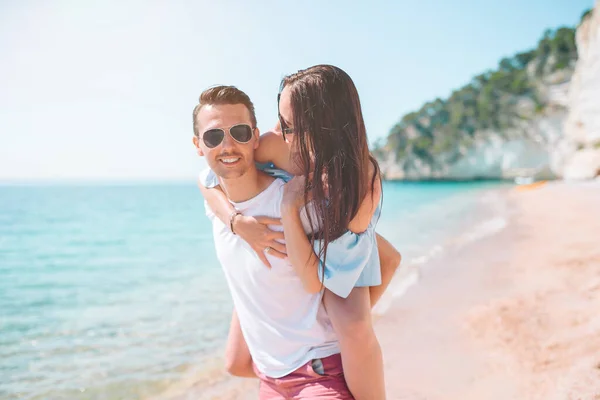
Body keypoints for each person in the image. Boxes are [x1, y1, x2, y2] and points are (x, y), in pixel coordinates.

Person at [198, 65, 401, 400]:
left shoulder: (357, 180)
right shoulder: (274, 146)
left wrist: (291, 207)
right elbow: (207, 178)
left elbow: (337, 258)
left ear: (327, 126)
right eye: (280, 121)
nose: (278, 131)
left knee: (353, 329)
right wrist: (236, 222)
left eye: (290, 126)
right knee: (236, 361)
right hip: (322, 227)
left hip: (343, 240)